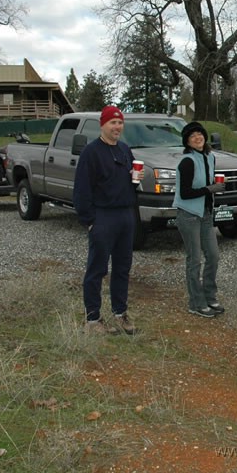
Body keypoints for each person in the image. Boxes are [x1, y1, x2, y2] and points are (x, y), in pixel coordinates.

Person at [73, 105, 142, 335]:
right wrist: (90, 220)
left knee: (123, 268)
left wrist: (136, 179)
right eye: (112, 122)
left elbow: (131, 183)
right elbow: (81, 190)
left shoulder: (124, 149)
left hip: (125, 215)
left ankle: (120, 313)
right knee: (97, 268)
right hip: (102, 216)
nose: (117, 127)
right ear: (102, 125)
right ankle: (93, 319)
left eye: (120, 122)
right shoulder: (91, 153)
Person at [173, 121, 226, 318]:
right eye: (192, 135)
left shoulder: (210, 157)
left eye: (200, 134)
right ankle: (196, 303)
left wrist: (215, 189)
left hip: (205, 214)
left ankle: (210, 297)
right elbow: (185, 193)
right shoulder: (187, 161)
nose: (198, 137)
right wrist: (209, 189)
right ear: (187, 141)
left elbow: (207, 183)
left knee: (213, 255)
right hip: (188, 214)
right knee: (194, 260)